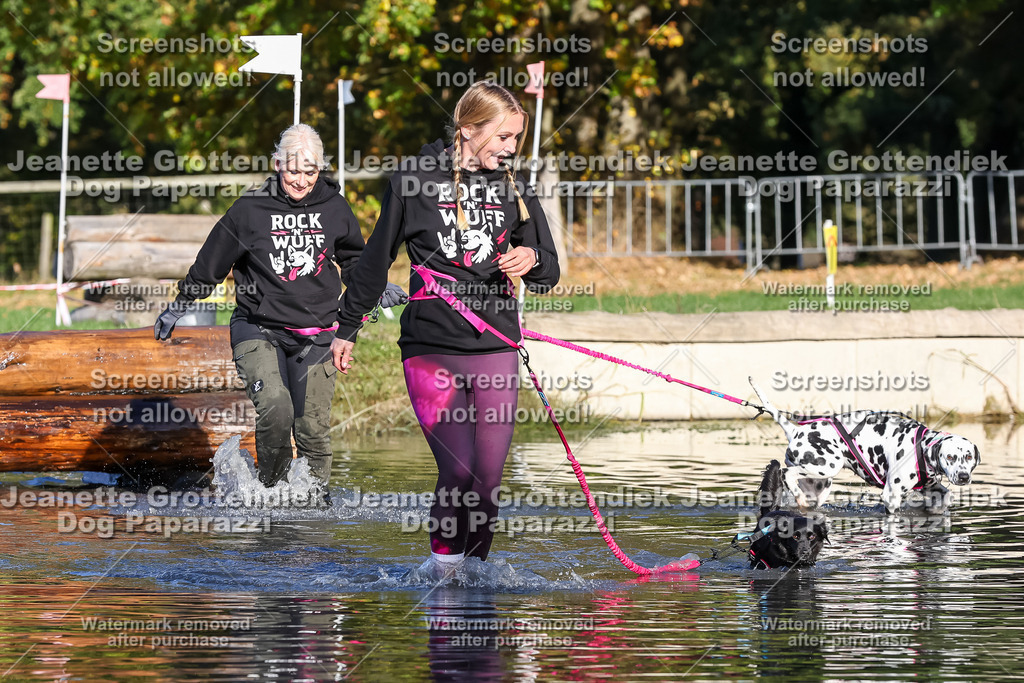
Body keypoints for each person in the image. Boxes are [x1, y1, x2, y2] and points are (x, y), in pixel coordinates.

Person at [331, 81, 560, 566]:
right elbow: (375, 261)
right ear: (467, 129)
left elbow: (549, 272)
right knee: (457, 471)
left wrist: (529, 257)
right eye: (502, 137)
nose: (510, 148)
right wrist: (348, 327)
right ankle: (444, 574)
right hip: (430, 347)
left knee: (489, 481)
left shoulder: (514, 185)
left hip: (495, 346)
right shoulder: (413, 178)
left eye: (516, 138)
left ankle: (476, 576)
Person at [154, 123, 405, 495]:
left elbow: (355, 261)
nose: (301, 180)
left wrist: (375, 287)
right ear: (276, 164)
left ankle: (313, 506)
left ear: (321, 169)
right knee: (276, 408)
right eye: (293, 170)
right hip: (259, 328)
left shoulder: (335, 207)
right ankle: (270, 495)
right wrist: (181, 303)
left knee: (312, 429)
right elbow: (212, 262)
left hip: (319, 332)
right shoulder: (250, 209)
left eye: (311, 171)